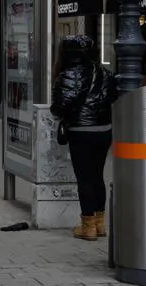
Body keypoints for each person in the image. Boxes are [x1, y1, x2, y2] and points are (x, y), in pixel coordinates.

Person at [50, 34, 118, 240]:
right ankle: (100, 224)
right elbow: (113, 97)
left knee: (84, 178)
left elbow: (59, 107)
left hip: (81, 131)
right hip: (104, 129)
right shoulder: (105, 73)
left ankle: (87, 226)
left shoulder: (67, 74)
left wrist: (61, 111)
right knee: (98, 175)